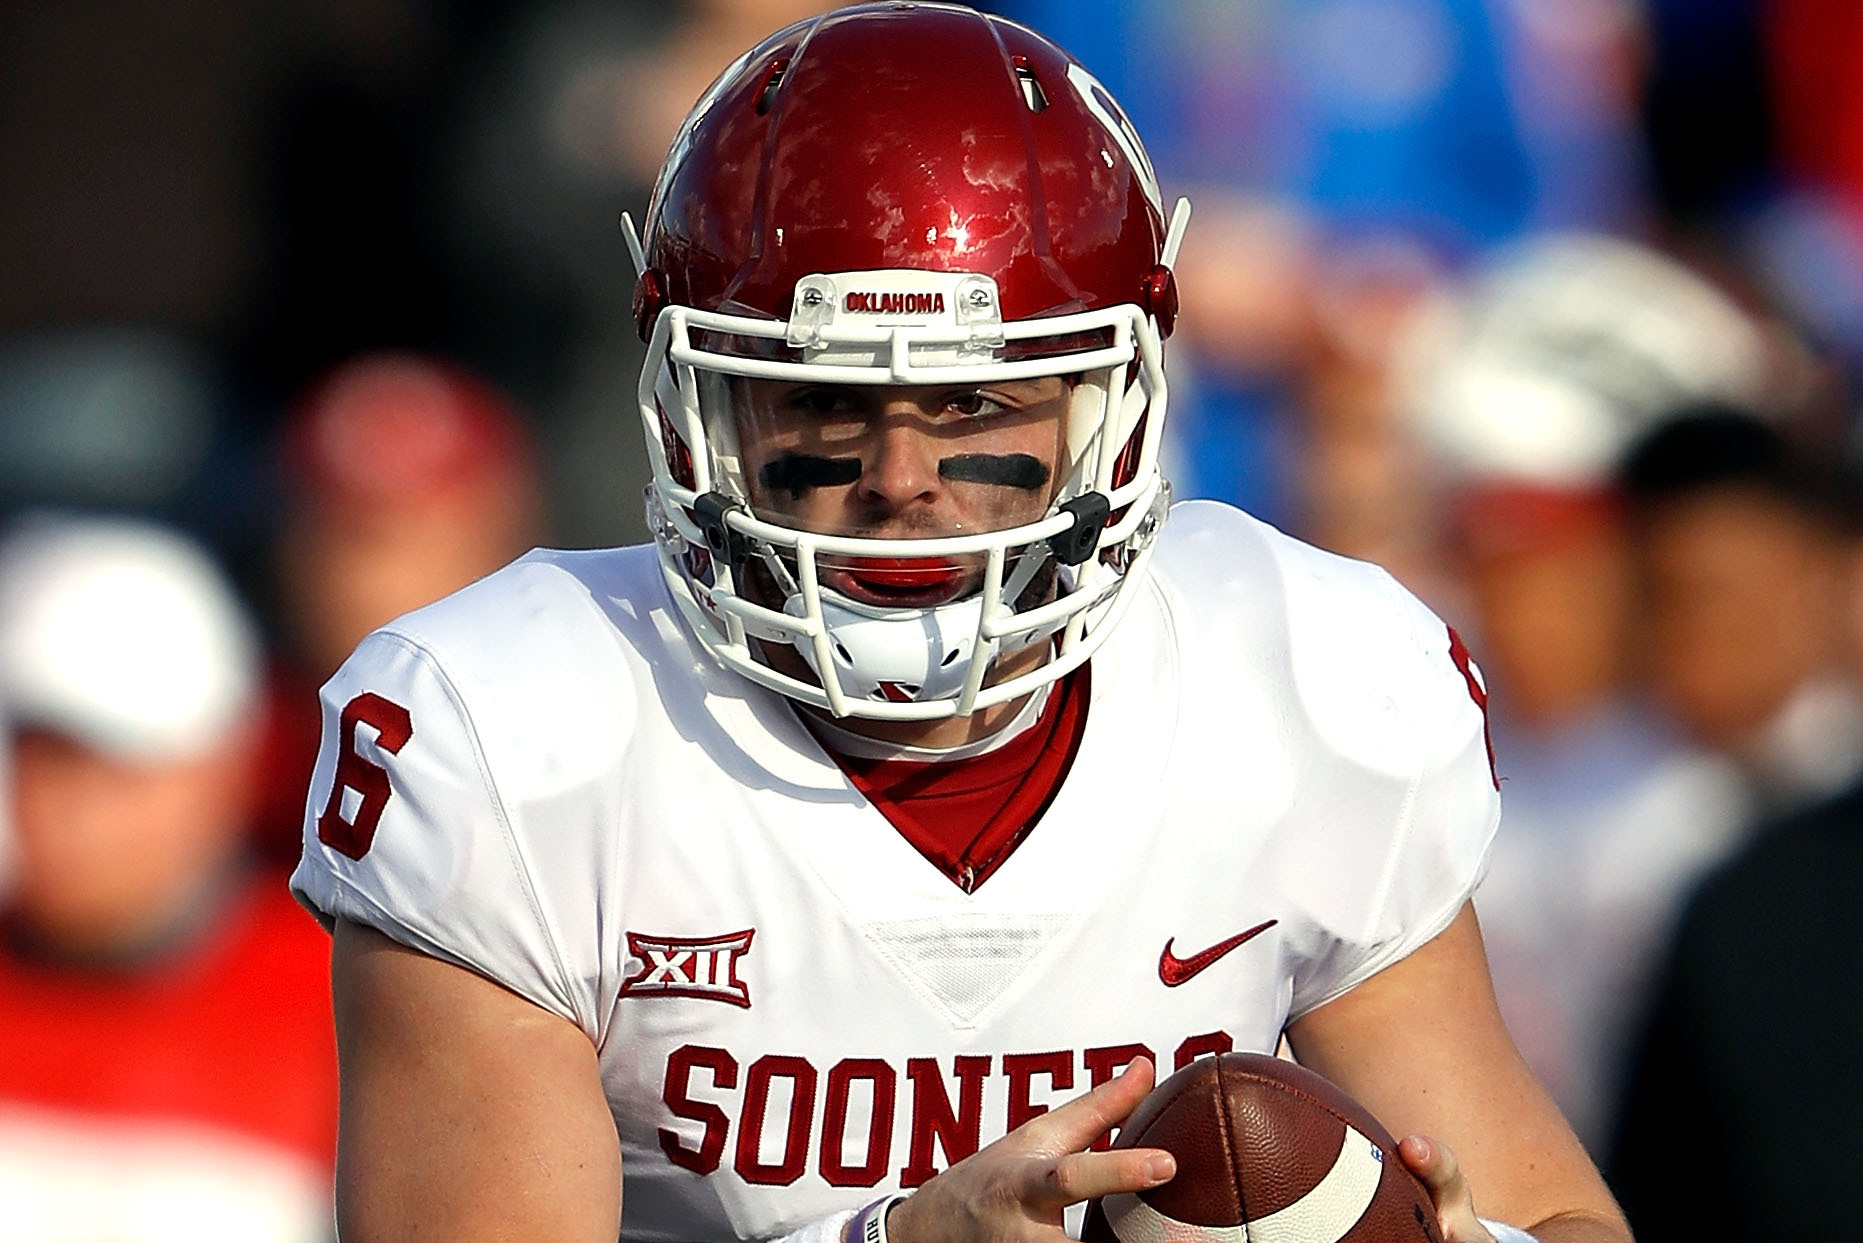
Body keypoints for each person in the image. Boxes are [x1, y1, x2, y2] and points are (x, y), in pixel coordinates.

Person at [288, 7, 1628, 1243]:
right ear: (689, 405)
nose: (898, 476)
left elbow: (1556, 1215)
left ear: (1117, 400)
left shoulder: (1309, 677)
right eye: (814, 404)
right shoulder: (509, 729)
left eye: (977, 406)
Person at [0, 513, 336, 1243]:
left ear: (229, 764)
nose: (72, 811)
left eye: (120, 766)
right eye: (42, 757)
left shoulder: (348, 1003)